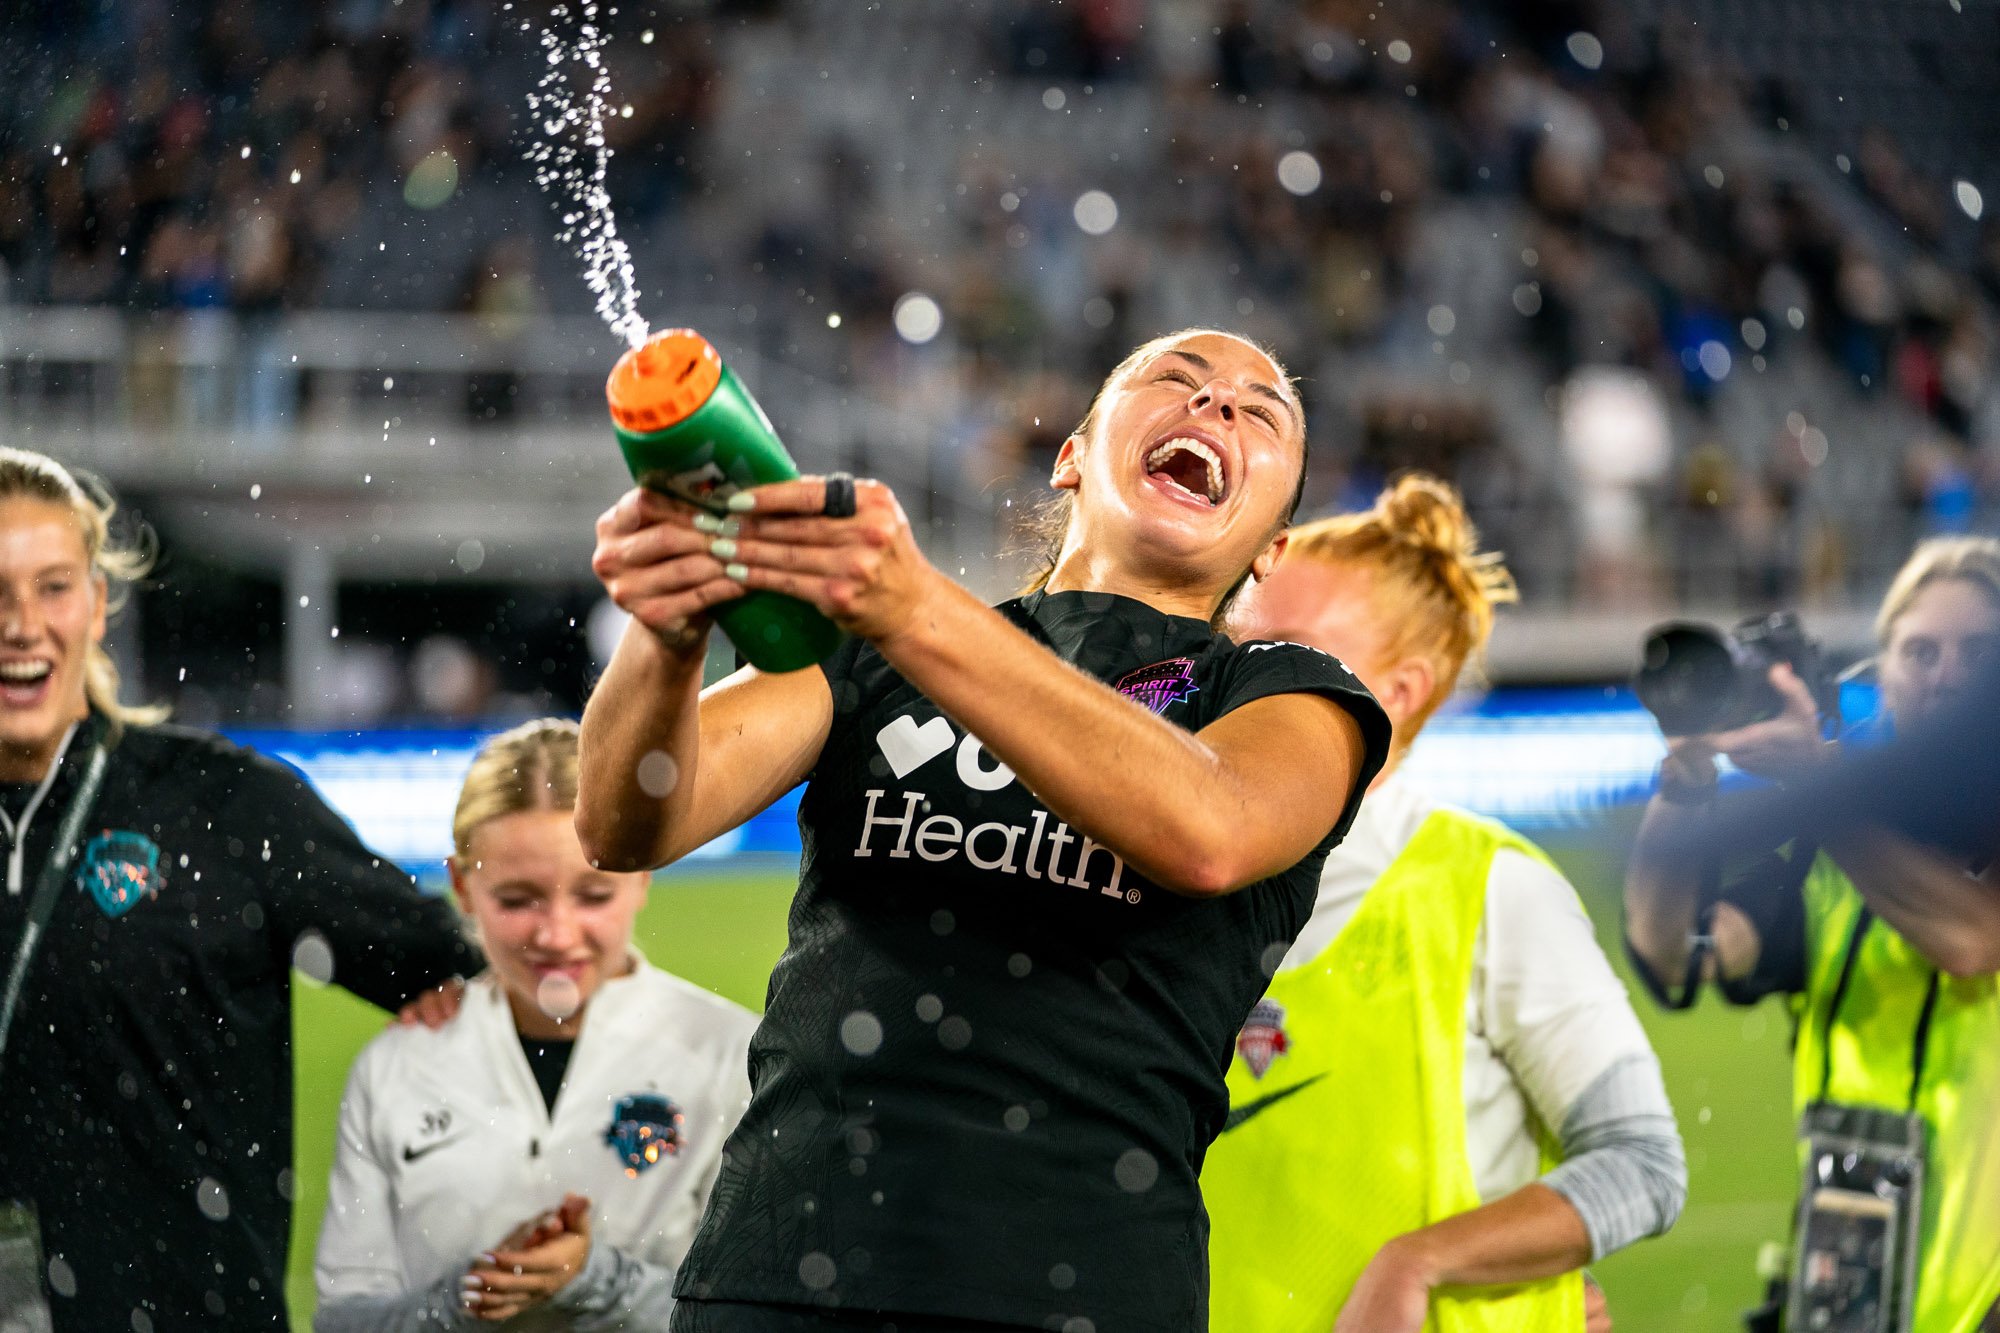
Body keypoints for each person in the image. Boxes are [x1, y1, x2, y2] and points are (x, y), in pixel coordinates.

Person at [577, 328, 1393, 1332]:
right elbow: (626, 820)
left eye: (1258, 412)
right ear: (1071, 455)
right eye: (1174, 382)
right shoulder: (868, 651)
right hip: (774, 1274)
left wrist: (911, 607)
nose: (1215, 406)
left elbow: (1207, 828)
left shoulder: (1292, 697)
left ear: (1273, 544)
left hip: (1076, 1291)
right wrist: (665, 631)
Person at [0, 447, 479, 1331]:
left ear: (100, 604)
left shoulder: (226, 807)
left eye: (53, 586)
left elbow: (474, 987)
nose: (21, 624)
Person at [1203, 474, 1685, 1333]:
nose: (1241, 673)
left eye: (1292, 648)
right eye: (1237, 642)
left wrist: (1419, 1262)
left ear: (1402, 690)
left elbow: (1643, 1162)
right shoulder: (1165, 874)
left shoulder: (1491, 886)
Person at [1624, 535, 2000, 1332]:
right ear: (1884, 669)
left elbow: (1974, 940)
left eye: (1979, 651)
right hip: (1846, 1285)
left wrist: (1820, 782)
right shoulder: (1833, 855)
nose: (1948, 675)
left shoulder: (1839, 825)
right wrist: (1685, 777)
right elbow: (1671, 951)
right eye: (1921, 650)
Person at [314, 718, 757, 1330]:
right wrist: (468, 1300)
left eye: (594, 895)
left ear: (643, 875)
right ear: (463, 888)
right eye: (518, 900)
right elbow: (345, 1321)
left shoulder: (734, 1056)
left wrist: (597, 1280)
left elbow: (760, 1312)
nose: (556, 934)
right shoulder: (398, 1066)